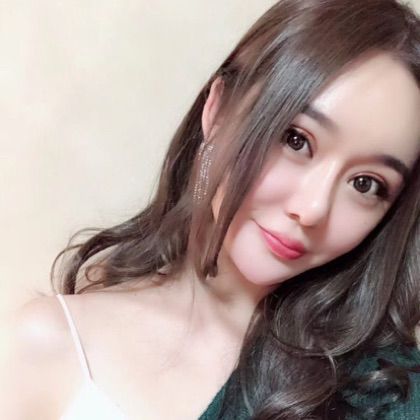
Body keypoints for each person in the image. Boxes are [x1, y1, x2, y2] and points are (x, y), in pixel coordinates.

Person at [3, 0, 420, 418]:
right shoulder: (52, 344)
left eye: (366, 184)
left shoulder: (384, 390)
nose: (312, 209)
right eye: (296, 140)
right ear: (218, 109)